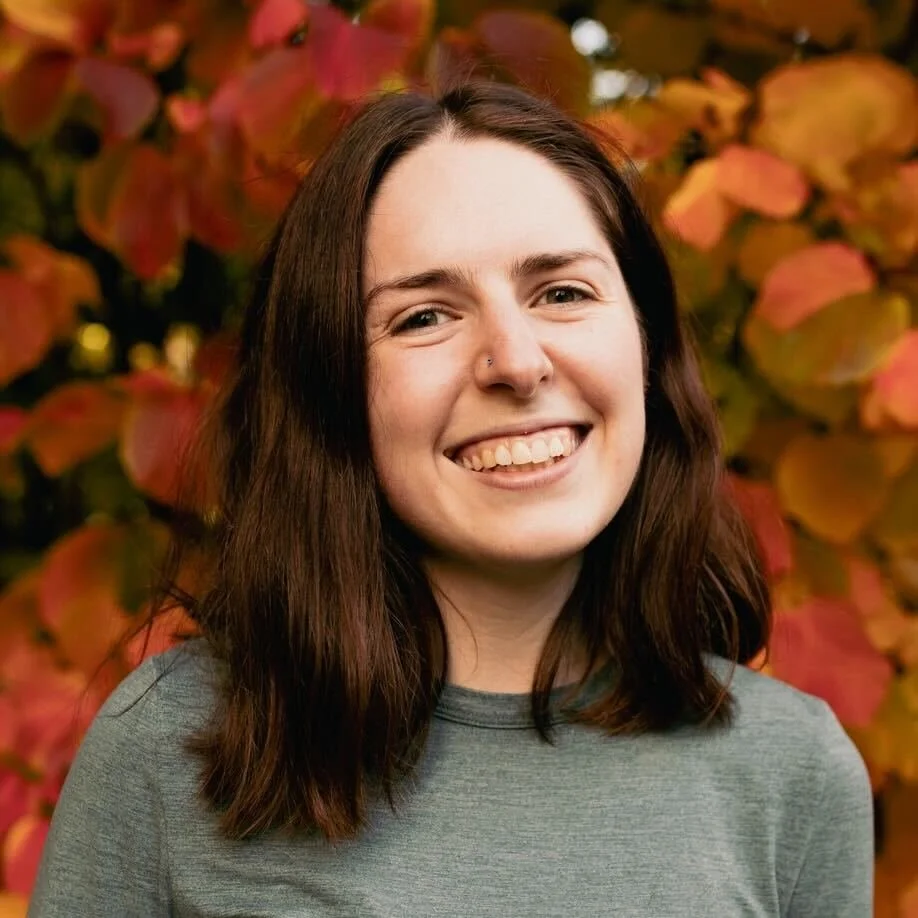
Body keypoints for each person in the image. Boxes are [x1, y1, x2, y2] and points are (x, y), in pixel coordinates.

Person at [28, 81, 873, 917]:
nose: (516, 359)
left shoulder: (789, 770)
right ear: (331, 393)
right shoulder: (173, 747)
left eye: (562, 293)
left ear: (646, 346)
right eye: (424, 317)